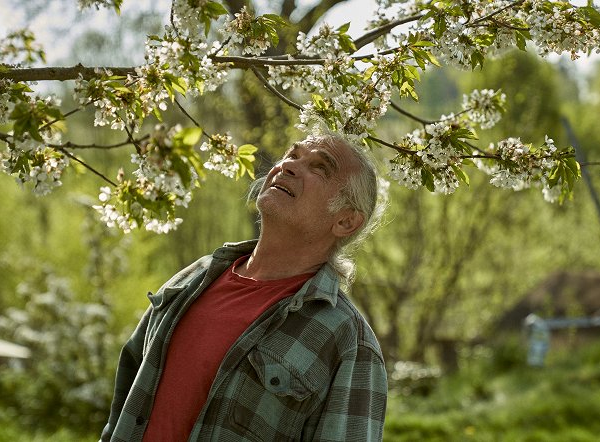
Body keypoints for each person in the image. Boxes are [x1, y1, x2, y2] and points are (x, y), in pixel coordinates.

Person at [100, 134, 387, 442]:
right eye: (292, 154)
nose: (288, 165)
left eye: (319, 168)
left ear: (345, 222)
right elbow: (123, 409)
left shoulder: (348, 342)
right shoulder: (194, 278)